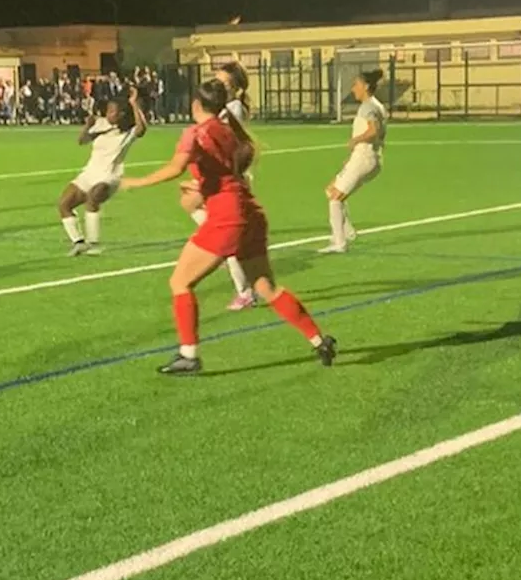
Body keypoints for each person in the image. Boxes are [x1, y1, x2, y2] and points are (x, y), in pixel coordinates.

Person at [121, 78, 336, 375]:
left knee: (179, 282)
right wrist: (203, 185)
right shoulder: (227, 130)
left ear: (195, 104)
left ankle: (189, 355)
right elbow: (227, 173)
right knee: (267, 287)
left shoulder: (195, 133)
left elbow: (174, 168)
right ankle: (319, 340)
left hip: (227, 217)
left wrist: (135, 182)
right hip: (250, 212)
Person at [184, 61, 257, 311]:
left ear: (234, 88)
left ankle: (244, 290)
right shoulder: (227, 109)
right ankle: (235, 264)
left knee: (219, 231)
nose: (217, 86)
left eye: (223, 83)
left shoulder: (233, 108)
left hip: (229, 176)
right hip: (222, 175)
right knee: (197, 211)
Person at [58, 86, 148, 256]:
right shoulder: (101, 124)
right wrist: (88, 126)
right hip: (89, 173)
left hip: (109, 176)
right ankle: (78, 242)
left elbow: (141, 129)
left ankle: (93, 243)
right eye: (108, 110)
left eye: (112, 111)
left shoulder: (127, 132)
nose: (108, 113)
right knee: (64, 204)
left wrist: (134, 103)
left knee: (93, 198)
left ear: (121, 114)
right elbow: (82, 141)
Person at [318, 70, 387, 254]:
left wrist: (356, 141)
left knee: (335, 198)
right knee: (331, 189)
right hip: (368, 157)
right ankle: (346, 232)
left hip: (365, 156)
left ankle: (339, 243)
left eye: (356, 84)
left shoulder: (368, 107)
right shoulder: (375, 105)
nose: (353, 88)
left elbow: (374, 131)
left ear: (365, 86)